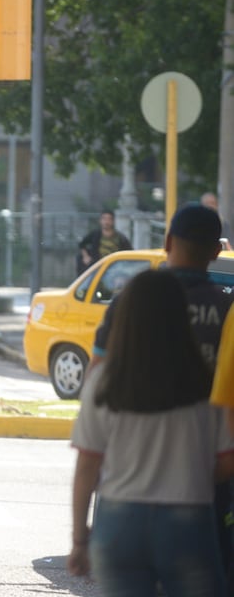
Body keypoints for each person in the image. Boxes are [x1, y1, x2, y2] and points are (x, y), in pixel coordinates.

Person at [92, 202, 234, 585]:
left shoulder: (129, 302)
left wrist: (78, 537)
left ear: (168, 241)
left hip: (126, 485)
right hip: (201, 485)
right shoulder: (228, 307)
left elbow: (96, 379)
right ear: (217, 251)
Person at [77, 210, 132, 275]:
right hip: (97, 267)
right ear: (100, 221)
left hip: (115, 269)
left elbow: (129, 252)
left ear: (113, 221)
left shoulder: (120, 237)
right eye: (104, 219)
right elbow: (82, 244)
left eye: (109, 219)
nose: (106, 222)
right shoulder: (95, 234)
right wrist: (85, 256)